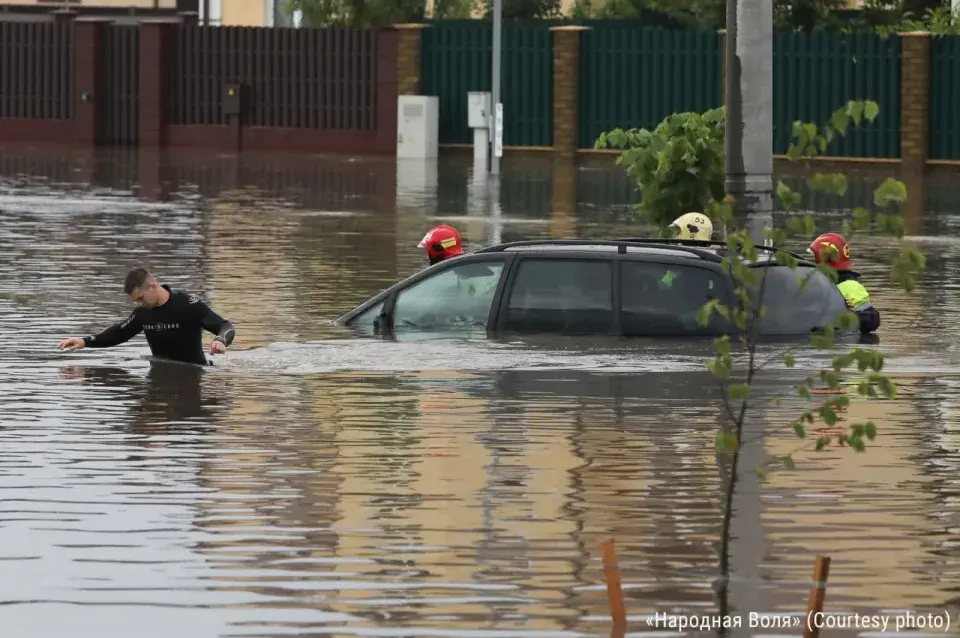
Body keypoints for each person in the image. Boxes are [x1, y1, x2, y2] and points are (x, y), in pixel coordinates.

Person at [57, 267, 236, 366]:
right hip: (160, 374)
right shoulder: (143, 312)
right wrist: (85, 341)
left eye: (140, 298)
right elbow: (119, 333)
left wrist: (220, 339)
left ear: (152, 285)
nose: (139, 304)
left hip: (193, 373)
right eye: (135, 301)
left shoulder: (187, 304)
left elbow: (226, 326)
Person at [807, 232, 880, 334]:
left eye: (815, 259)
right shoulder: (827, 282)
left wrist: (851, 315)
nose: (814, 264)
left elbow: (871, 319)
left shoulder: (849, 286)